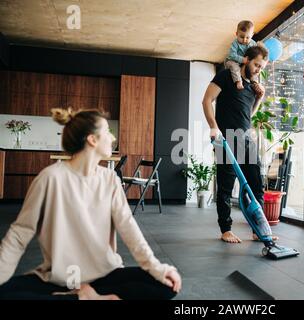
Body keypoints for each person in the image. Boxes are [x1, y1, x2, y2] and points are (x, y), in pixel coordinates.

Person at [0, 108, 181, 300]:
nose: (112, 138)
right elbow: (19, 235)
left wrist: (157, 268)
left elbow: (129, 229)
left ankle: (88, 297)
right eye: (107, 132)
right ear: (92, 140)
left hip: (105, 274)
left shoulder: (110, 178)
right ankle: (82, 297)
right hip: (64, 279)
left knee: (166, 285)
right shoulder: (50, 178)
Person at [203, 45, 277, 244]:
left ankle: (257, 229)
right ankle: (225, 230)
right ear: (246, 59)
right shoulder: (226, 76)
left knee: (256, 185)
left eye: (261, 68)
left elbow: (248, 115)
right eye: (256, 65)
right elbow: (207, 100)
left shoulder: (253, 87)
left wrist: (259, 97)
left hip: (246, 139)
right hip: (225, 138)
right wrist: (213, 126)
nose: (257, 70)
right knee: (226, 186)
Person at [224, 20, 258, 90]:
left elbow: (256, 54)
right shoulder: (235, 43)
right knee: (234, 66)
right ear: (237, 34)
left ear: (252, 35)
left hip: (245, 63)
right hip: (232, 61)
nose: (244, 40)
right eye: (242, 37)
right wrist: (242, 59)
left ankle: (254, 82)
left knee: (253, 68)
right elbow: (231, 55)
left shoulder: (253, 44)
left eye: (247, 37)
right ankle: (238, 81)